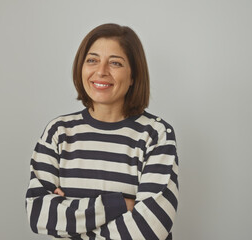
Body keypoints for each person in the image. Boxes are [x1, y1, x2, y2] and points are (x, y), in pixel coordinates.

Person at [25, 23, 178, 240]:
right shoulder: (58, 132)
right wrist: (120, 204)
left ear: (133, 75)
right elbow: (38, 214)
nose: (101, 71)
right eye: (92, 60)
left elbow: (151, 229)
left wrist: (70, 215)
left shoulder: (156, 134)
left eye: (115, 63)